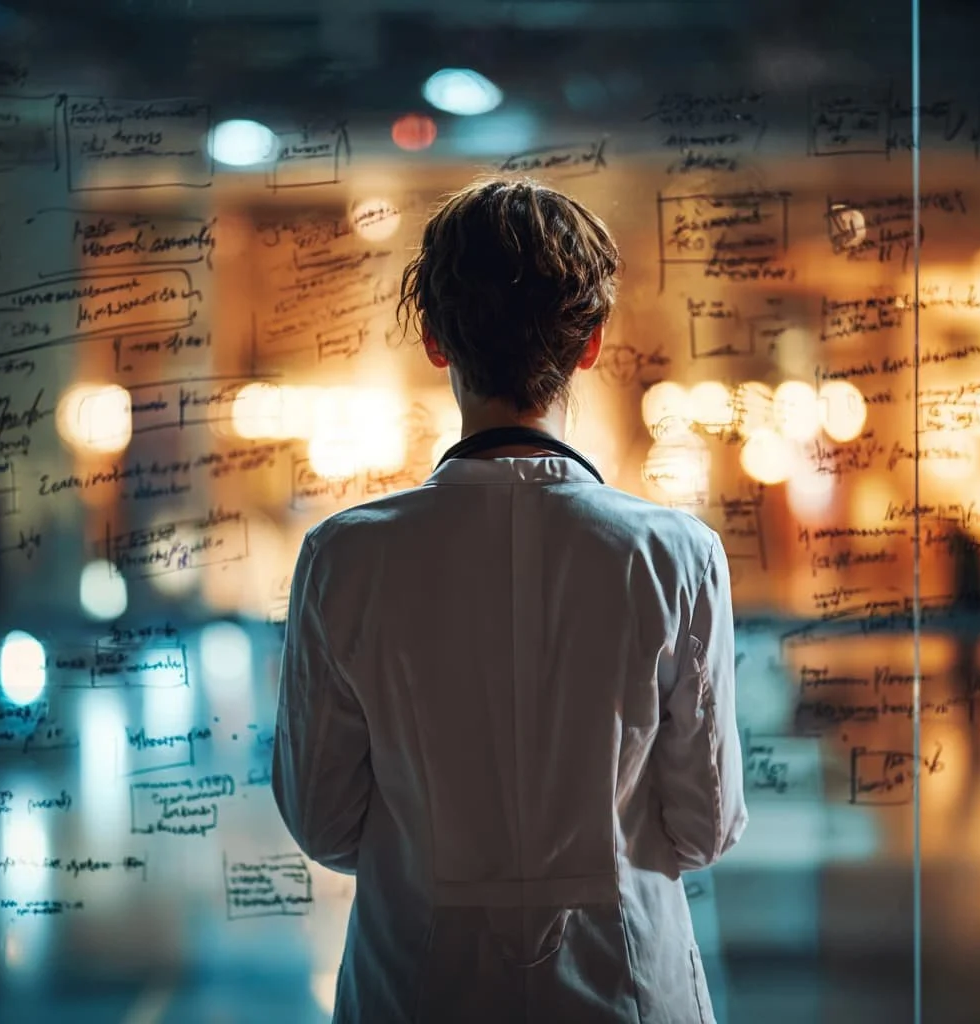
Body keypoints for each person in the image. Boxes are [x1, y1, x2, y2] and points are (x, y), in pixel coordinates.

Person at [272, 177, 747, 1024]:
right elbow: (704, 828)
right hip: (629, 988)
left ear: (434, 340)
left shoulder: (344, 556)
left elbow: (324, 822)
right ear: (591, 344)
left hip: (415, 988)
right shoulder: (679, 555)